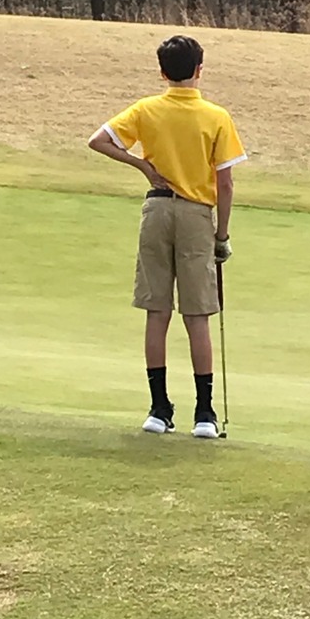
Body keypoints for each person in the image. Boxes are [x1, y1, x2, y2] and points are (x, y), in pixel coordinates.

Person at [87, 35, 246, 440]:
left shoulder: (146, 109)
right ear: (199, 70)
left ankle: (159, 409)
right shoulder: (216, 116)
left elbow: (99, 140)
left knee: (157, 312)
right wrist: (222, 236)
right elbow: (225, 184)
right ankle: (205, 414)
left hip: (156, 209)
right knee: (197, 316)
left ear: (162, 72)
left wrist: (141, 164)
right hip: (196, 215)